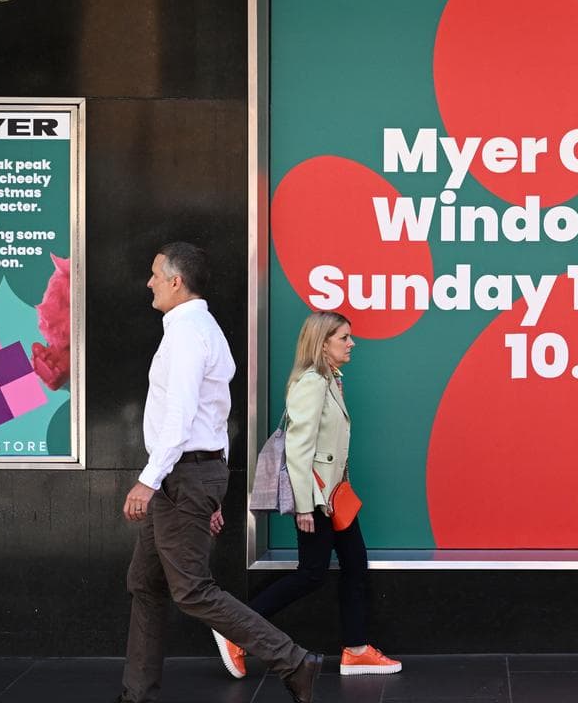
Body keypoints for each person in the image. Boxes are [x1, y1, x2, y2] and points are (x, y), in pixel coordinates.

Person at [116, 242, 322, 703]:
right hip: (189, 476)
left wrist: (149, 481)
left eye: (154, 274)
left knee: (190, 590)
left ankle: (293, 660)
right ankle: (136, 693)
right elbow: (216, 416)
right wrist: (207, 488)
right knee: (145, 583)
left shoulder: (188, 334)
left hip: (179, 476)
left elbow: (182, 416)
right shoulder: (199, 328)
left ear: (175, 281)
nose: (148, 282)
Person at [213, 311, 401, 679]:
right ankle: (234, 630)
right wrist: (304, 506)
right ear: (323, 342)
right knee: (311, 574)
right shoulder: (312, 383)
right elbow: (299, 449)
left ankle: (357, 649)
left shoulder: (330, 380)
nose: (351, 343)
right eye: (343, 338)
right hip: (315, 500)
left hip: (334, 496)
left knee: (354, 564)